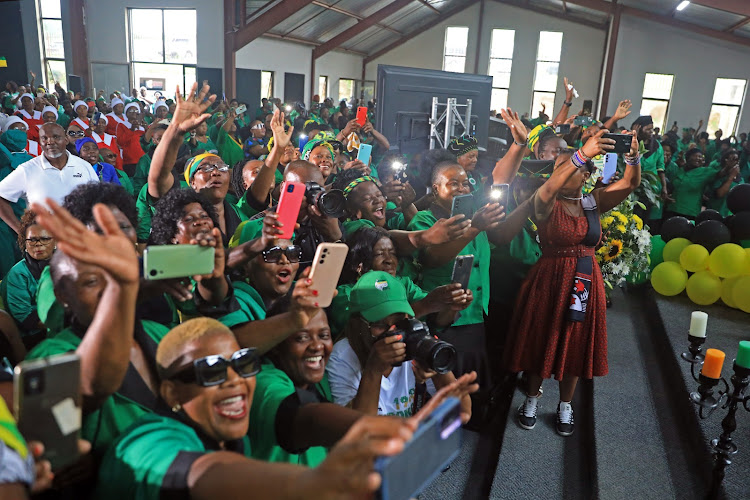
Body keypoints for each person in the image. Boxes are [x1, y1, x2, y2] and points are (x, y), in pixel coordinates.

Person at [95, 315, 476, 499]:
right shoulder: (146, 437)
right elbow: (198, 473)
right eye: (210, 372)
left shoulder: (232, 424)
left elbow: (301, 420)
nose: (233, 381)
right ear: (172, 393)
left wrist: (402, 430)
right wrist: (312, 485)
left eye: (243, 364)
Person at [504, 129, 640, 437]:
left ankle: (566, 403)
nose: (565, 173)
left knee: (576, 341)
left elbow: (631, 182)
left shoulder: (593, 203)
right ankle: (532, 397)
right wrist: (580, 154)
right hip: (549, 280)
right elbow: (548, 189)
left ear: (586, 175)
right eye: (560, 167)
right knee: (542, 338)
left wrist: (632, 156)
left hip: (584, 282)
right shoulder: (545, 203)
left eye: (574, 168)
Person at [327, 271, 473, 419]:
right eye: (379, 324)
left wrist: (437, 371)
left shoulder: (411, 340)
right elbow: (358, 432)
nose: (392, 331)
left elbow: (463, 412)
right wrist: (374, 369)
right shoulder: (342, 356)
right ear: (358, 324)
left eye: (399, 322)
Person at [332, 227, 472, 335]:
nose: (390, 260)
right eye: (379, 254)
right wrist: (425, 305)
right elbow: (371, 329)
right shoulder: (345, 295)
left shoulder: (404, 285)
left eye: (392, 253)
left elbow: (437, 321)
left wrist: (452, 306)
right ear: (359, 264)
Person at [0, 122, 99, 234]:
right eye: (44, 138)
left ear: (66, 140)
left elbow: (98, 199)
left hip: (82, 240)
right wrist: (22, 232)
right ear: (40, 142)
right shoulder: (27, 169)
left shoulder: (83, 166)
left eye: (56, 137)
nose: (50, 142)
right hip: (46, 245)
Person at [0, 211, 54, 348]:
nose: (38, 244)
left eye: (45, 238)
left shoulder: (65, 265)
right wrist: (63, 323)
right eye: (32, 240)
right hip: (33, 336)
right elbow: (26, 319)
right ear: (24, 241)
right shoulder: (18, 275)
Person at [664, 148, 720, 220]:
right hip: (672, 209)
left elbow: (720, 174)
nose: (698, 158)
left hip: (690, 213)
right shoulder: (679, 170)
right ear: (687, 158)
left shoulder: (706, 172)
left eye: (700, 157)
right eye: (695, 156)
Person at [706, 149, 742, 217]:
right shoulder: (718, 177)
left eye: (737, 160)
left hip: (730, 216)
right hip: (715, 214)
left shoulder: (740, 179)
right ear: (726, 160)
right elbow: (719, 194)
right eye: (733, 159)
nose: (736, 162)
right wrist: (731, 176)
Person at [116, 102, 146, 176]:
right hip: (129, 160)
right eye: (131, 111)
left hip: (142, 158)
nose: (134, 113)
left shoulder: (142, 126)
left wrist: (146, 129)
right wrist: (132, 129)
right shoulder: (121, 125)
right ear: (126, 113)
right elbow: (121, 141)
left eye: (136, 111)